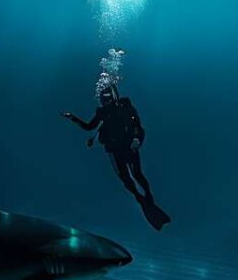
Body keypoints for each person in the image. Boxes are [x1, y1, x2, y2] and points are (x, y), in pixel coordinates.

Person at [62, 85, 171, 231]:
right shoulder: (102, 113)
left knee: (137, 174)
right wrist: (72, 118)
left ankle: (149, 200)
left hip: (129, 146)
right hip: (114, 150)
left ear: (114, 97)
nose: (106, 102)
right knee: (126, 180)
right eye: (103, 100)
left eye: (108, 99)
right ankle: (142, 200)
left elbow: (137, 126)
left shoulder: (126, 108)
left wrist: (137, 139)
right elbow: (89, 127)